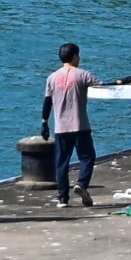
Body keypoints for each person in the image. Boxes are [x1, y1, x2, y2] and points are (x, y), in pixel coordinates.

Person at [42, 42, 100, 208]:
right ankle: (81, 184)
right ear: (75, 56)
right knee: (87, 157)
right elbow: (101, 86)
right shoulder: (82, 75)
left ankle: (62, 198)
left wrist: (44, 122)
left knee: (62, 162)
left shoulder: (52, 78)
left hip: (61, 127)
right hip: (80, 124)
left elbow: (47, 102)